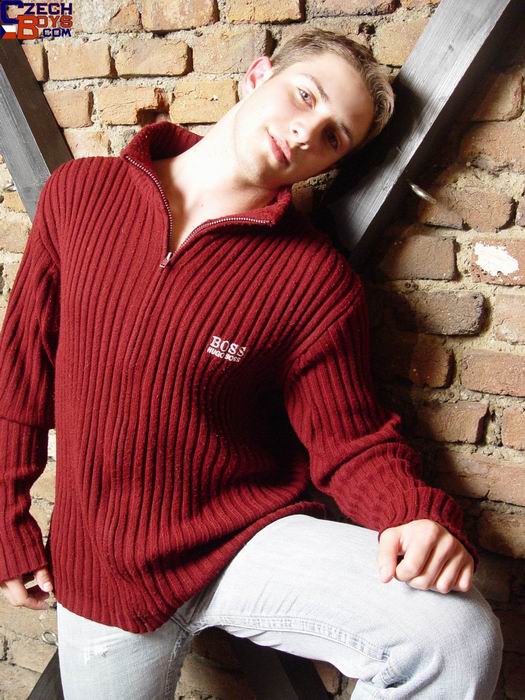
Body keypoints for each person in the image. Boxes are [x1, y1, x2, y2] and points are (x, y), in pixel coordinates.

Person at [0, 28, 502, 699]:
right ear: (258, 75)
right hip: (102, 568)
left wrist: (412, 511)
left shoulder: (315, 279)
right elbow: (20, 376)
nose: (305, 133)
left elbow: (350, 439)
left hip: (241, 542)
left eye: (333, 137)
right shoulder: (80, 194)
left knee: (453, 633)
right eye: (305, 97)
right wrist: (7, 521)